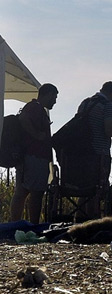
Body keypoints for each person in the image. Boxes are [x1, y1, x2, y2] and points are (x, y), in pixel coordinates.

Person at [9, 83, 59, 224]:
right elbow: (23, 119)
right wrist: (37, 135)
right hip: (33, 157)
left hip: (34, 158)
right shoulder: (34, 107)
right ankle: (30, 225)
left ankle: (18, 224)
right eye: (54, 97)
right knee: (34, 193)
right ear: (47, 94)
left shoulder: (37, 109)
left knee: (25, 192)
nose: (54, 101)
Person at [76, 81, 112, 220]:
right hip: (98, 153)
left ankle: (79, 216)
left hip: (80, 153)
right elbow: (109, 130)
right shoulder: (107, 106)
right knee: (96, 188)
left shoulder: (85, 103)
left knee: (84, 188)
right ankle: (93, 218)